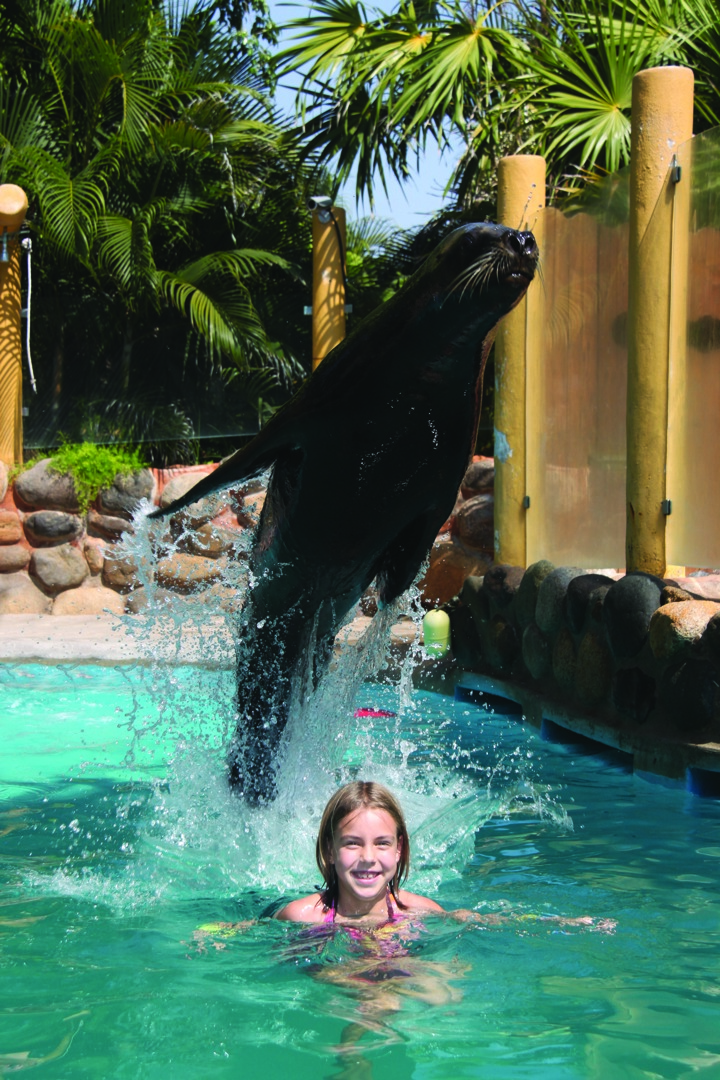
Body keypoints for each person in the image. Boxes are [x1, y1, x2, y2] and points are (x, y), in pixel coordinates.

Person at [275, 780, 441, 925]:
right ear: (330, 849)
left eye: (382, 843)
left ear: (398, 848)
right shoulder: (301, 917)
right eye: (353, 843)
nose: (368, 857)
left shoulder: (423, 914)